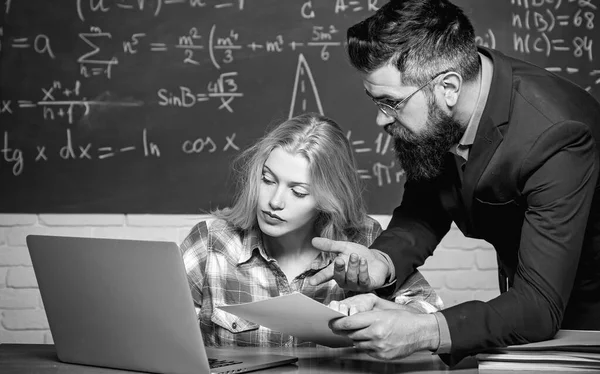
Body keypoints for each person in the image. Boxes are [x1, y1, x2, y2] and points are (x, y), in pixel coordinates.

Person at [307, 0, 600, 365]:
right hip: (522, 309)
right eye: (375, 101)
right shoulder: (439, 112)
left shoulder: (557, 134)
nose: (382, 121)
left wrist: (423, 330)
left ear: (449, 86)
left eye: (391, 103)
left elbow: (539, 305)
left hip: (585, 322)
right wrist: (381, 261)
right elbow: (425, 206)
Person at [179, 113, 443, 347]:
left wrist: (380, 310)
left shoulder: (365, 243)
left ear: (327, 199)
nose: (275, 202)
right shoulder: (213, 241)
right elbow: (159, 326)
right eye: (267, 180)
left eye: (298, 191)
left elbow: (430, 314)